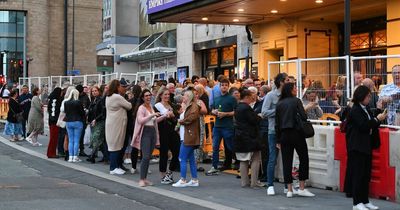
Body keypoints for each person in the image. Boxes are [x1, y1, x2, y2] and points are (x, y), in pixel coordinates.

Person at [345, 85, 387, 210]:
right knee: (358, 175)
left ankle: (365, 200)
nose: (369, 98)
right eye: (368, 96)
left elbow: (371, 122)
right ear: (361, 96)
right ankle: (356, 203)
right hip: (357, 146)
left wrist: (379, 113)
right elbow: (364, 126)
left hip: (366, 146)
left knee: (365, 175)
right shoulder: (355, 110)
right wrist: (377, 119)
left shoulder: (366, 108)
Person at [275, 82, 315, 198]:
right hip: (297, 133)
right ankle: (302, 187)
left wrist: (278, 140)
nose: (296, 89)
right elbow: (304, 116)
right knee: (303, 158)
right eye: (295, 87)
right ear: (291, 90)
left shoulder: (279, 103)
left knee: (286, 161)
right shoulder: (296, 101)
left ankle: (289, 190)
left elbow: (277, 124)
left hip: (284, 135)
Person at [131, 89, 167, 187]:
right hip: (145, 133)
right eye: (146, 96)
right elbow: (140, 120)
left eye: (149, 95)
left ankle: (145, 179)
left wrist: (163, 116)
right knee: (145, 157)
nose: (148, 97)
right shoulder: (141, 108)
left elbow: (154, 121)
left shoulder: (151, 106)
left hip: (152, 132)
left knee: (148, 157)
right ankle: (141, 179)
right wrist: (152, 115)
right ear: (142, 97)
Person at [261, 73, 289, 195]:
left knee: (287, 158)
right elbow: (264, 112)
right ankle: (270, 184)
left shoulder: (289, 95)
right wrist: (279, 109)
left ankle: (288, 185)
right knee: (273, 158)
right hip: (273, 130)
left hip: (287, 130)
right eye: (287, 80)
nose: (290, 81)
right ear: (281, 82)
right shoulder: (271, 95)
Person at [207, 78, 237, 175]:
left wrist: (225, 114)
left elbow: (236, 112)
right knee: (215, 147)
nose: (224, 87)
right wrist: (214, 112)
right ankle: (214, 166)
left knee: (230, 146)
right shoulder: (217, 99)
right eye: (222, 85)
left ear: (228, 87)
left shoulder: (232, 99)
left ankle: (239, 162)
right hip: (217, 126)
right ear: (219, 87)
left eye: (226, 85)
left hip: (228, 126)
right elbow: (212, 109)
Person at [233, 89, 262, 188]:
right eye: (250, 98)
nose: (251, 100)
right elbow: (253, 120)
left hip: (240, 136)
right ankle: (254, 182)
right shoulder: (246, 108)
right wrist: (259, 117)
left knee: (243, 160)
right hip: (250, 136)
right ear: (246, 97)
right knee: (255, 159)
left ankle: (244, 182)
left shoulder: (237, 107)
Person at [172, 90, 201, 187]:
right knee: (191, 159)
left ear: (188, 97)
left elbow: (191, 118)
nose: (182, 97)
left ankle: (183, 180)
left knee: (182, 158)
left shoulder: (193, 106)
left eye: (184, 96)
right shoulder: (190, 106)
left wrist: (181, 121)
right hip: (187, 135)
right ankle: (194, 180)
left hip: (188, 136)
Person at [154, 87, 180, 184]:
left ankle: (170, 172)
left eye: (168, 94)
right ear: (160, 95)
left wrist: (173, 116)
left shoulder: (172, 105)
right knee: (163, 154)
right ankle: (163, 175)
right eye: (165, 94)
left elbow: (177, 119)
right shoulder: (157, 106)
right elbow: (154, 120)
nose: (167, 96)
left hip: (172, 131)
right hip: (162, 131)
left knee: (177, 152)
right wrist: (164, 116)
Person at [105, 80, 132, 175]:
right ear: (117, 87)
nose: (123, 88)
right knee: (115, 146)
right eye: (121, 86)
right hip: (116, 125)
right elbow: (129, 106)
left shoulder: (109, 96)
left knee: (114, 145)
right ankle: (113, 168)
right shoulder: (117, 97)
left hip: (113, 124)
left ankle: (116, 166)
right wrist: (128, 98)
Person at [63, 89, 85, 163]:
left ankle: (70, 157)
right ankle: (75, 157)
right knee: (76, 140)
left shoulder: (66, 102)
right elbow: (82, 112)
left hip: (68, 122)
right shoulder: (78, 102)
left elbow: (65, 112)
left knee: (70, 140)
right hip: (77, 121)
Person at [86, 86, 106, 163]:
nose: (94, 92)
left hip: (99, 122)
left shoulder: (101, 100)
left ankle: (92, 156)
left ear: (99, 91)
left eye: (95, 91)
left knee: (96, 138)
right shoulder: (93, 100)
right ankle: (106, 156)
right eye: (93, 91)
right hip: (93, 122)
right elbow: (91, 111)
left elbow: (102, 113)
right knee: (99, 140)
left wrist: (96, 119)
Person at [47, 87, 62, 158]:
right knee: (54, 138)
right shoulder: (56, 100)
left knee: (53, 138)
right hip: (54, 121)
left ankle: (51, 152)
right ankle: (51, 153)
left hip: (51, 121)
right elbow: (54, 112)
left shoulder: (51, 99)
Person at [76, 84, 90, 157]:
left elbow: (89, 105)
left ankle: (81, 149)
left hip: (83, 118)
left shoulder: (85, 96)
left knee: (82, 135)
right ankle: (75, 150)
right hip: (76, 118)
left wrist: (87, 110)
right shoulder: (75, 96)